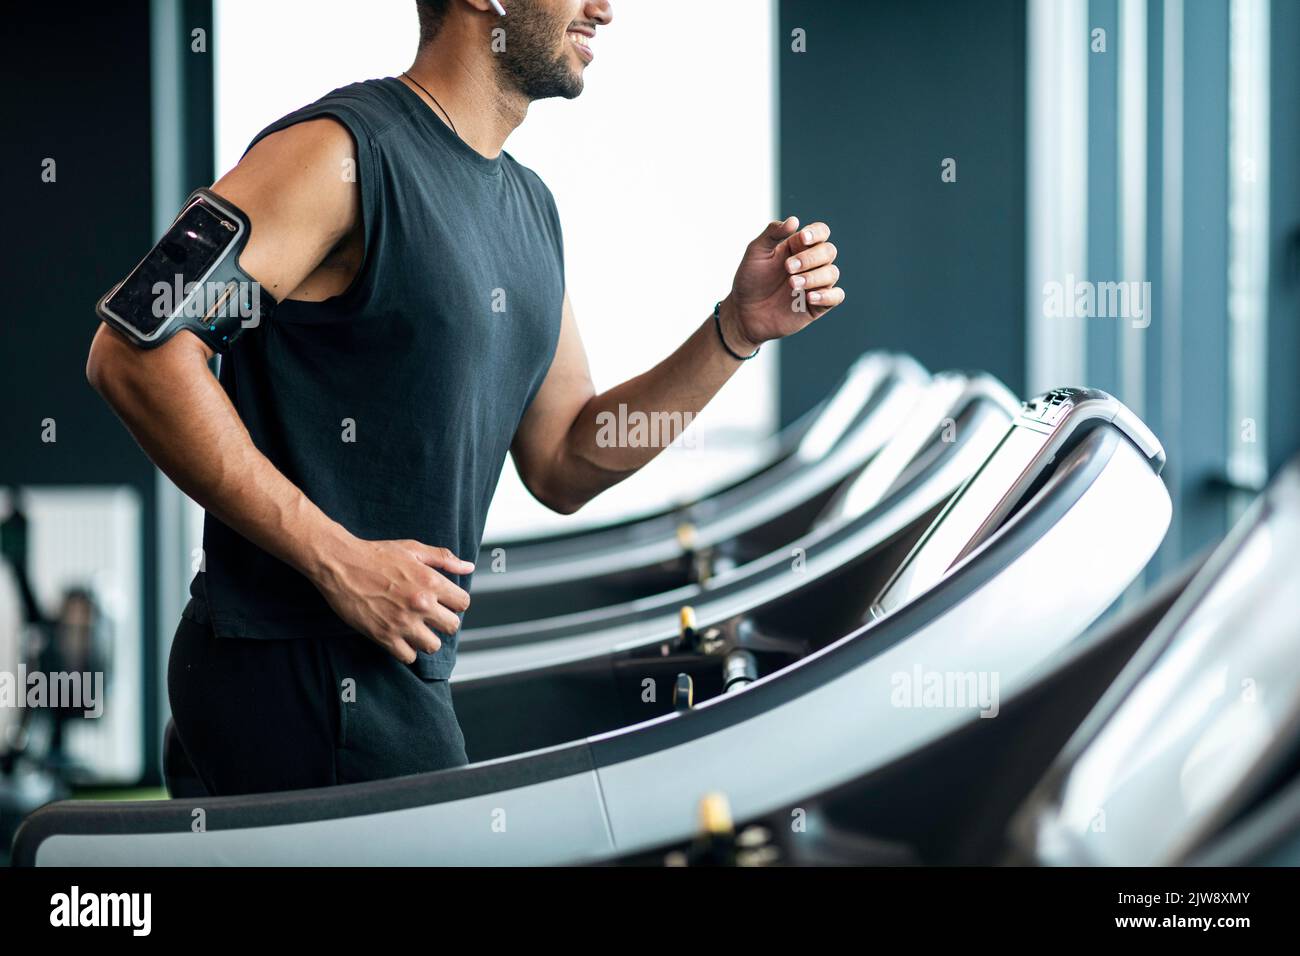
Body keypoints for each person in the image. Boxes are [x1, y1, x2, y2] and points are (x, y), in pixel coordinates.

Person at [86, 0, 844, 795]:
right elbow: (137, 352)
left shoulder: (529, 209)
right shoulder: (339, 155)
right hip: (299, 671)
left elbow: (566, 458)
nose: (605, 9)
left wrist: (733, 332)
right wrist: (337, 558)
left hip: (390, 670)